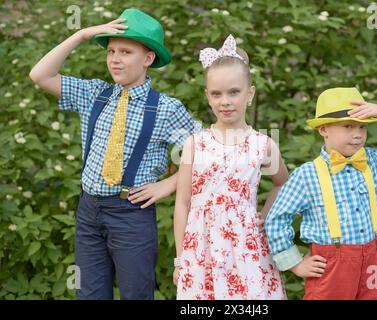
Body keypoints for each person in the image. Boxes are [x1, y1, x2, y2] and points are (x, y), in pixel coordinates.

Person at [29, 8, 199, 299]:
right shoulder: (95, 93)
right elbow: (40, 74)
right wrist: (82, 34)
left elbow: (210, 151)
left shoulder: (166, 109)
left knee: (136, 294)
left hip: (131, 215)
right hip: (89, 211)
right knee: (90, 294)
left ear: (148, 59)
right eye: (110, 51)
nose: (115, 59)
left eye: (125, 52)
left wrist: (169, 184)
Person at [265, 87, 377, 300]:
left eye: (362, 127)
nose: (358, 134)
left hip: (372, 258)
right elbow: (276, 219)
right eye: (348, 126)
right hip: (331, 265)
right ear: (324, 129)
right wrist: (295, 263)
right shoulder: (307, 175)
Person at [173, 35, 288, 300]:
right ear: (207, 96)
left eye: (233, 92)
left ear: (250, 93)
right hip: (201, 252)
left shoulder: (263, 144)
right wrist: (181, 259)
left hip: (247, 248)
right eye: (217, 94)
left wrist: (266, 214)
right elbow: (182, 203)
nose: (225, 101)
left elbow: (283, 183)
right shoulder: (194, 143)